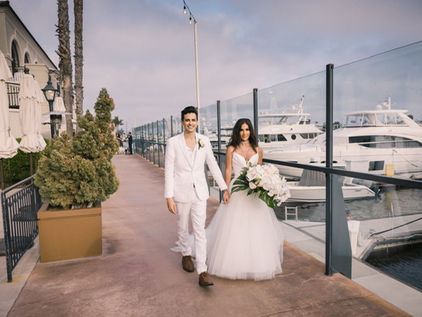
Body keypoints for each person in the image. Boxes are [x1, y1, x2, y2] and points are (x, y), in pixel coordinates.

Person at [206, 118, 284, 280]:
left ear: (251, 131)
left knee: (257, 227)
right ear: (237, 131)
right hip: (237, 190)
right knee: (236, 227)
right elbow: (228, 170)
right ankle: (234, 264)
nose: (244, 133)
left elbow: (260, 171)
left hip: (254, 192)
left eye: (247, 129)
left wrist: (264, 187)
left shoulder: (258, 150)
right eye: (241, 130)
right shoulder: (231, 149)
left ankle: (257, 264)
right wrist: (225, 190)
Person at [164, 106, 230, 287]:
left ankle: (203, 271)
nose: (190, 123)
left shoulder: (204, 141)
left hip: (200, 192)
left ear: (197, 122)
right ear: (182, 122)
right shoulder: (173, 142)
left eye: (193, 120)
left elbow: (213, 165)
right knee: (182, 225)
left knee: (200, 230)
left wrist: (224, 188)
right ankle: (185, 254)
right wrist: (168, 196)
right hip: (181, 191)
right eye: (187, 120)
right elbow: (169, 171)